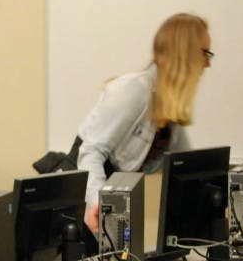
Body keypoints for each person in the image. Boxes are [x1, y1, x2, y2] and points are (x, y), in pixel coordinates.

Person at [74, 12, 212, 232]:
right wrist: (98, 202)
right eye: (205, 53)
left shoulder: (168, 103)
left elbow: (188, 166)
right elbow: (91, 153)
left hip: (112, 196)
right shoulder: (133, 90)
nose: (208, 64)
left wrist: (229, 197)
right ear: (184, 54)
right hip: (86, 196)